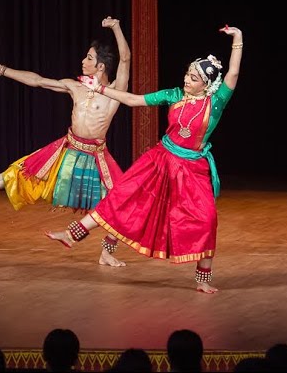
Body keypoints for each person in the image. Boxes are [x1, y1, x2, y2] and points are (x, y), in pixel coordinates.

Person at [46, 25, 243, 293]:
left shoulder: (215, 103)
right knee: (123, 197)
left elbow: (232, 72)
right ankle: (73, 234)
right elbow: (134, 100)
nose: (187, 79)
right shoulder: (174, 95)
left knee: (207, 218)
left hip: (192, 168)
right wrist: (101, 90)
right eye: (187, 73)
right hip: (161, 160)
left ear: (206, 84)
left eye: (194, 78)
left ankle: (203, 278)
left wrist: (237, 38)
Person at [0, 17, 130, 265]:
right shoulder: (75, 87)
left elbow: (126, 59)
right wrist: (3, 70)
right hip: (67, 149)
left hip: (95, 156)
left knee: (118, 201)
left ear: (101, 66)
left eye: (89, 58)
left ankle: (107, 252)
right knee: (20, 172)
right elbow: (38, 80)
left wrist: (116, 28)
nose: (83, 61)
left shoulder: (115, 92)